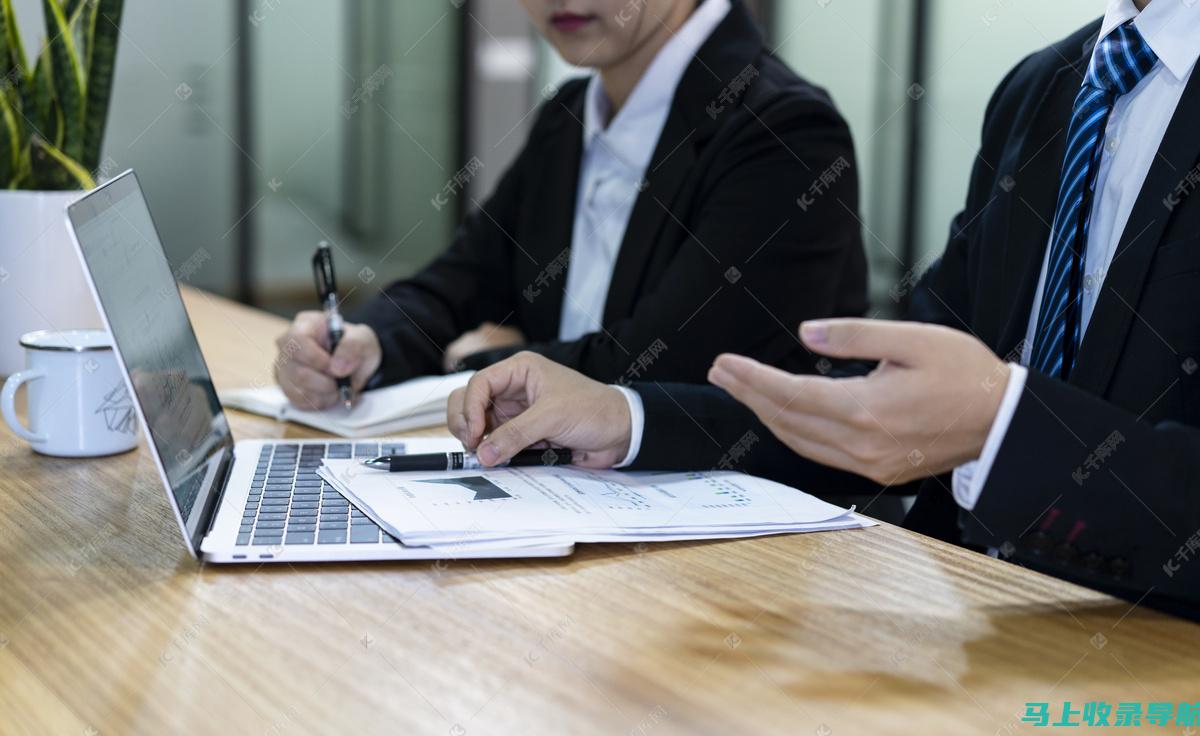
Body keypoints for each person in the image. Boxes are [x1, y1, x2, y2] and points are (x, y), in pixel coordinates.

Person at [445, 0, 1200, 619]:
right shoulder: (1041, 90)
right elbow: (865, 401)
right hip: (967, 619)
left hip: (1149, 662)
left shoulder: (778, 123)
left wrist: (1001, 425)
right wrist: (630, 416)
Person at [273, 0, 867, 410]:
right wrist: (363, 343)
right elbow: (461, 279)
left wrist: (470, 369)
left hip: (751, 542)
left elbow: (663, 366)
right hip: (574, 500)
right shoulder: (571, 113)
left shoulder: (783, 129)